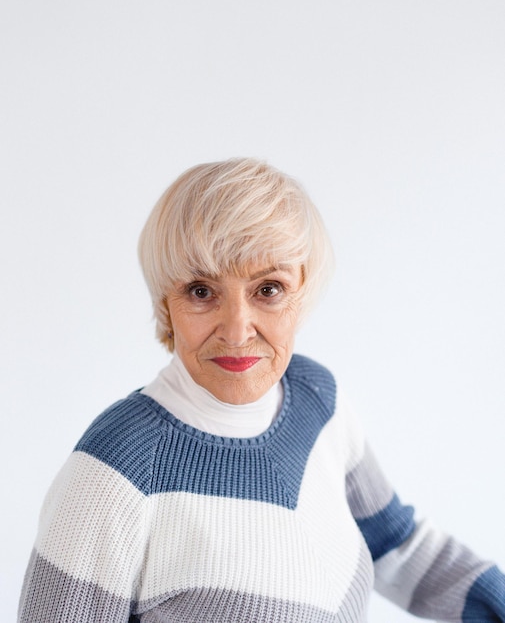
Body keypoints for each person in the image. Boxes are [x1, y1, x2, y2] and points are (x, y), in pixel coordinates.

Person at [19, 158, 505, 622]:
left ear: (302, 293)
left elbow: (397, 548)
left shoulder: (319, 401)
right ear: (166, 304)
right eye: (201, 291)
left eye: (268, 289)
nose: (236, 330)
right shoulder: (115, 470)